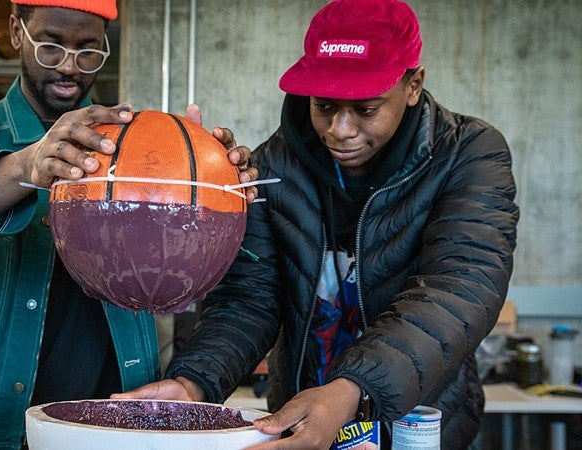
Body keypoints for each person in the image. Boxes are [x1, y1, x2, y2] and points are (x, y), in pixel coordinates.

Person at [114, 0, 519, 449]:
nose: (340, 130)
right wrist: (195, 382)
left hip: (416, 426)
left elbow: (459, 288)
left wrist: (349, 393)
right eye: (324, 105)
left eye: (366, 108)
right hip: (302, 423)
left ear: (413, 84)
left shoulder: (469, 154)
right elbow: (249, 301)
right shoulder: (271, 167)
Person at [0, 1, 256, 448]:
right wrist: (23, 167)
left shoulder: (132, 141)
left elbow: (197, 272)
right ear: (17, 30)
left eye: (88, 50)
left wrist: (211, 186)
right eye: (51, 46)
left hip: (113, 406)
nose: (70, 67)